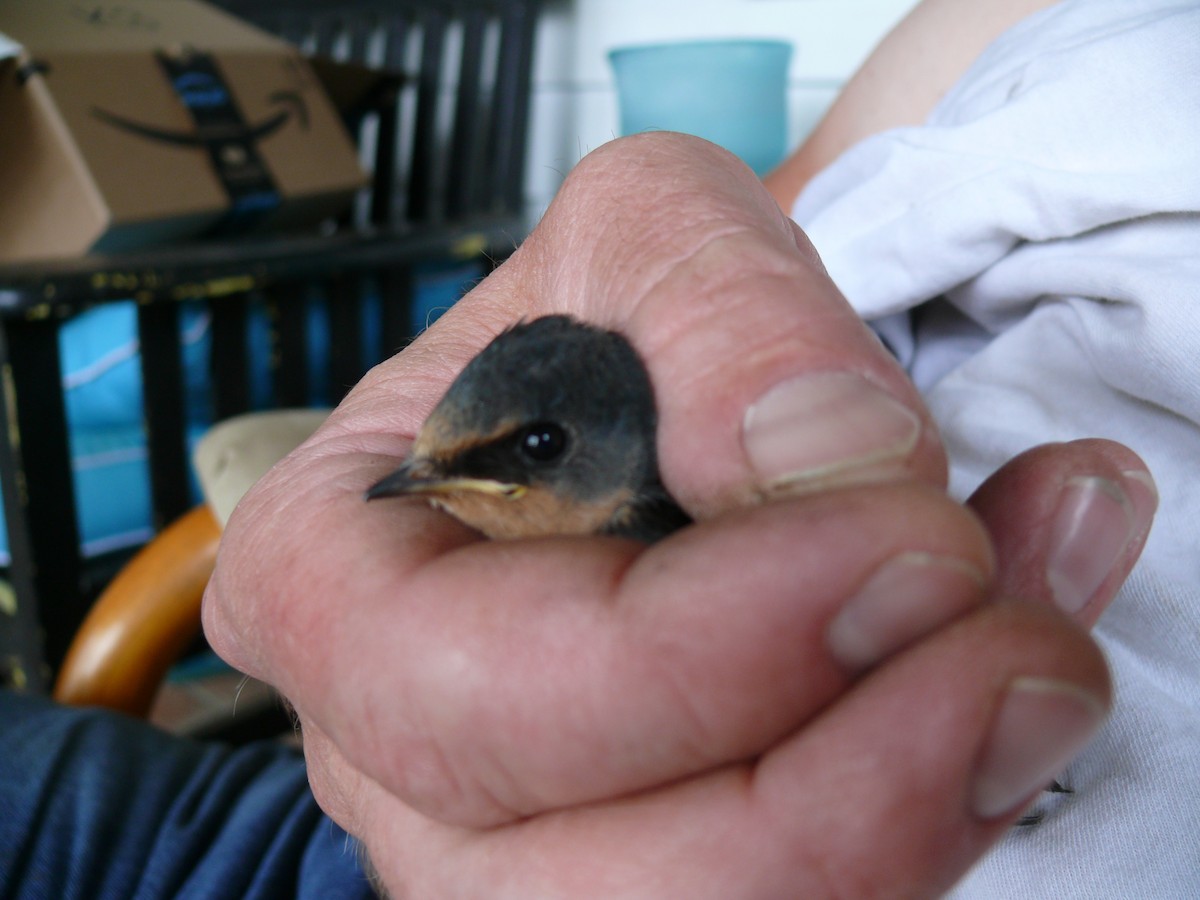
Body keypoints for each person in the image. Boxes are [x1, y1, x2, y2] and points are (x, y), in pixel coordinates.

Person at [2, 1, 1190, 897]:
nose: (438, 484)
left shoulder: (669, 503)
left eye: (527, 452)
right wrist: (655, 218)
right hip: (339, 825)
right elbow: (776, 214)